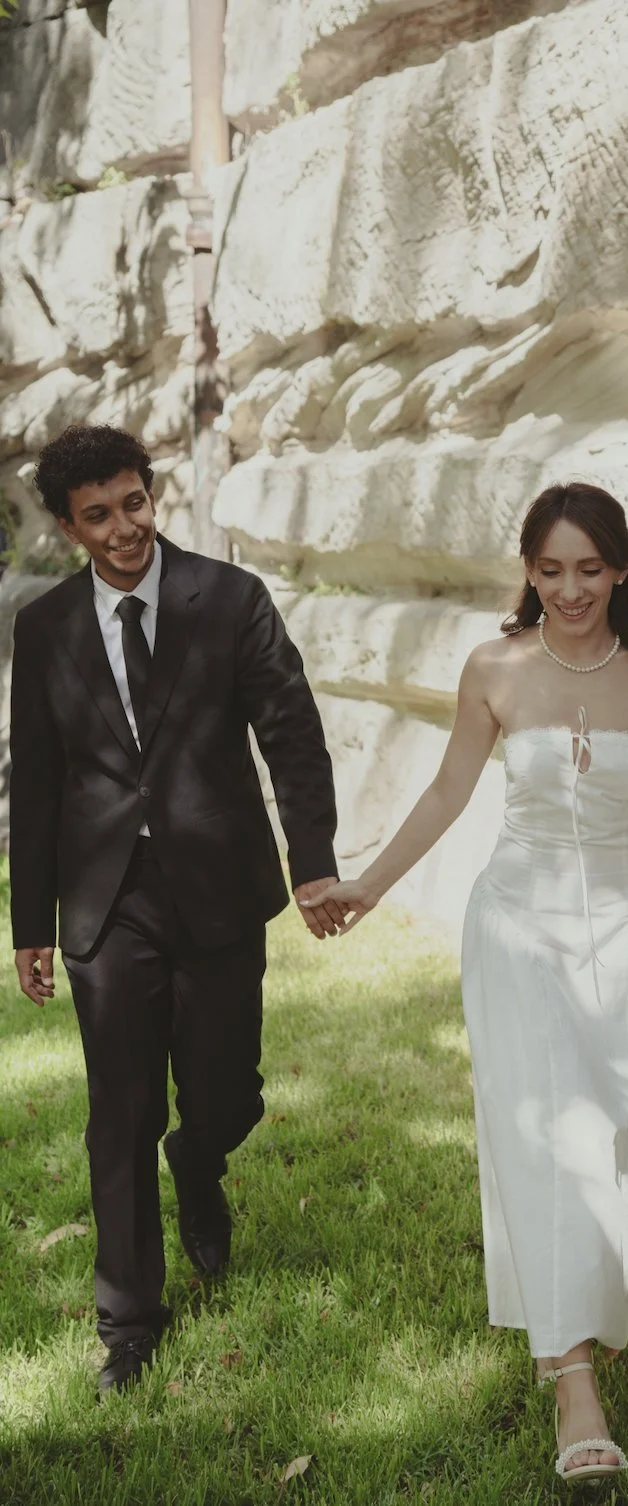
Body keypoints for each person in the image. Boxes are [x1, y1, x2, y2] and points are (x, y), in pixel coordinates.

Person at [303, 481, 628, 1482]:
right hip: (518, 931)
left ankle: (584, 1304)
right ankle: (574, 1390)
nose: (569, 589)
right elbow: (449, 789)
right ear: (528, 572)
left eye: (589, 569)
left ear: (621, 570)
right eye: (549, 570)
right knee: (552, 1142)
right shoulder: (494, 667)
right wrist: (368, 882)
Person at [9, 424, 345, 1395]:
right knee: (118, 1112)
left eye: (135, 502)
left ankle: (199, 1161)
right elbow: (36, 781)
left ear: (151, 494)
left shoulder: (229, 599)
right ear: (69, 528)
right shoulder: (45, 628)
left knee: (226, 1092)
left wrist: (313, 863)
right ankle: (129, 1324)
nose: (125, 528)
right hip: (106, 900)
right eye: (99, 515)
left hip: (220, 885)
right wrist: (31, 923)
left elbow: (292, 732)